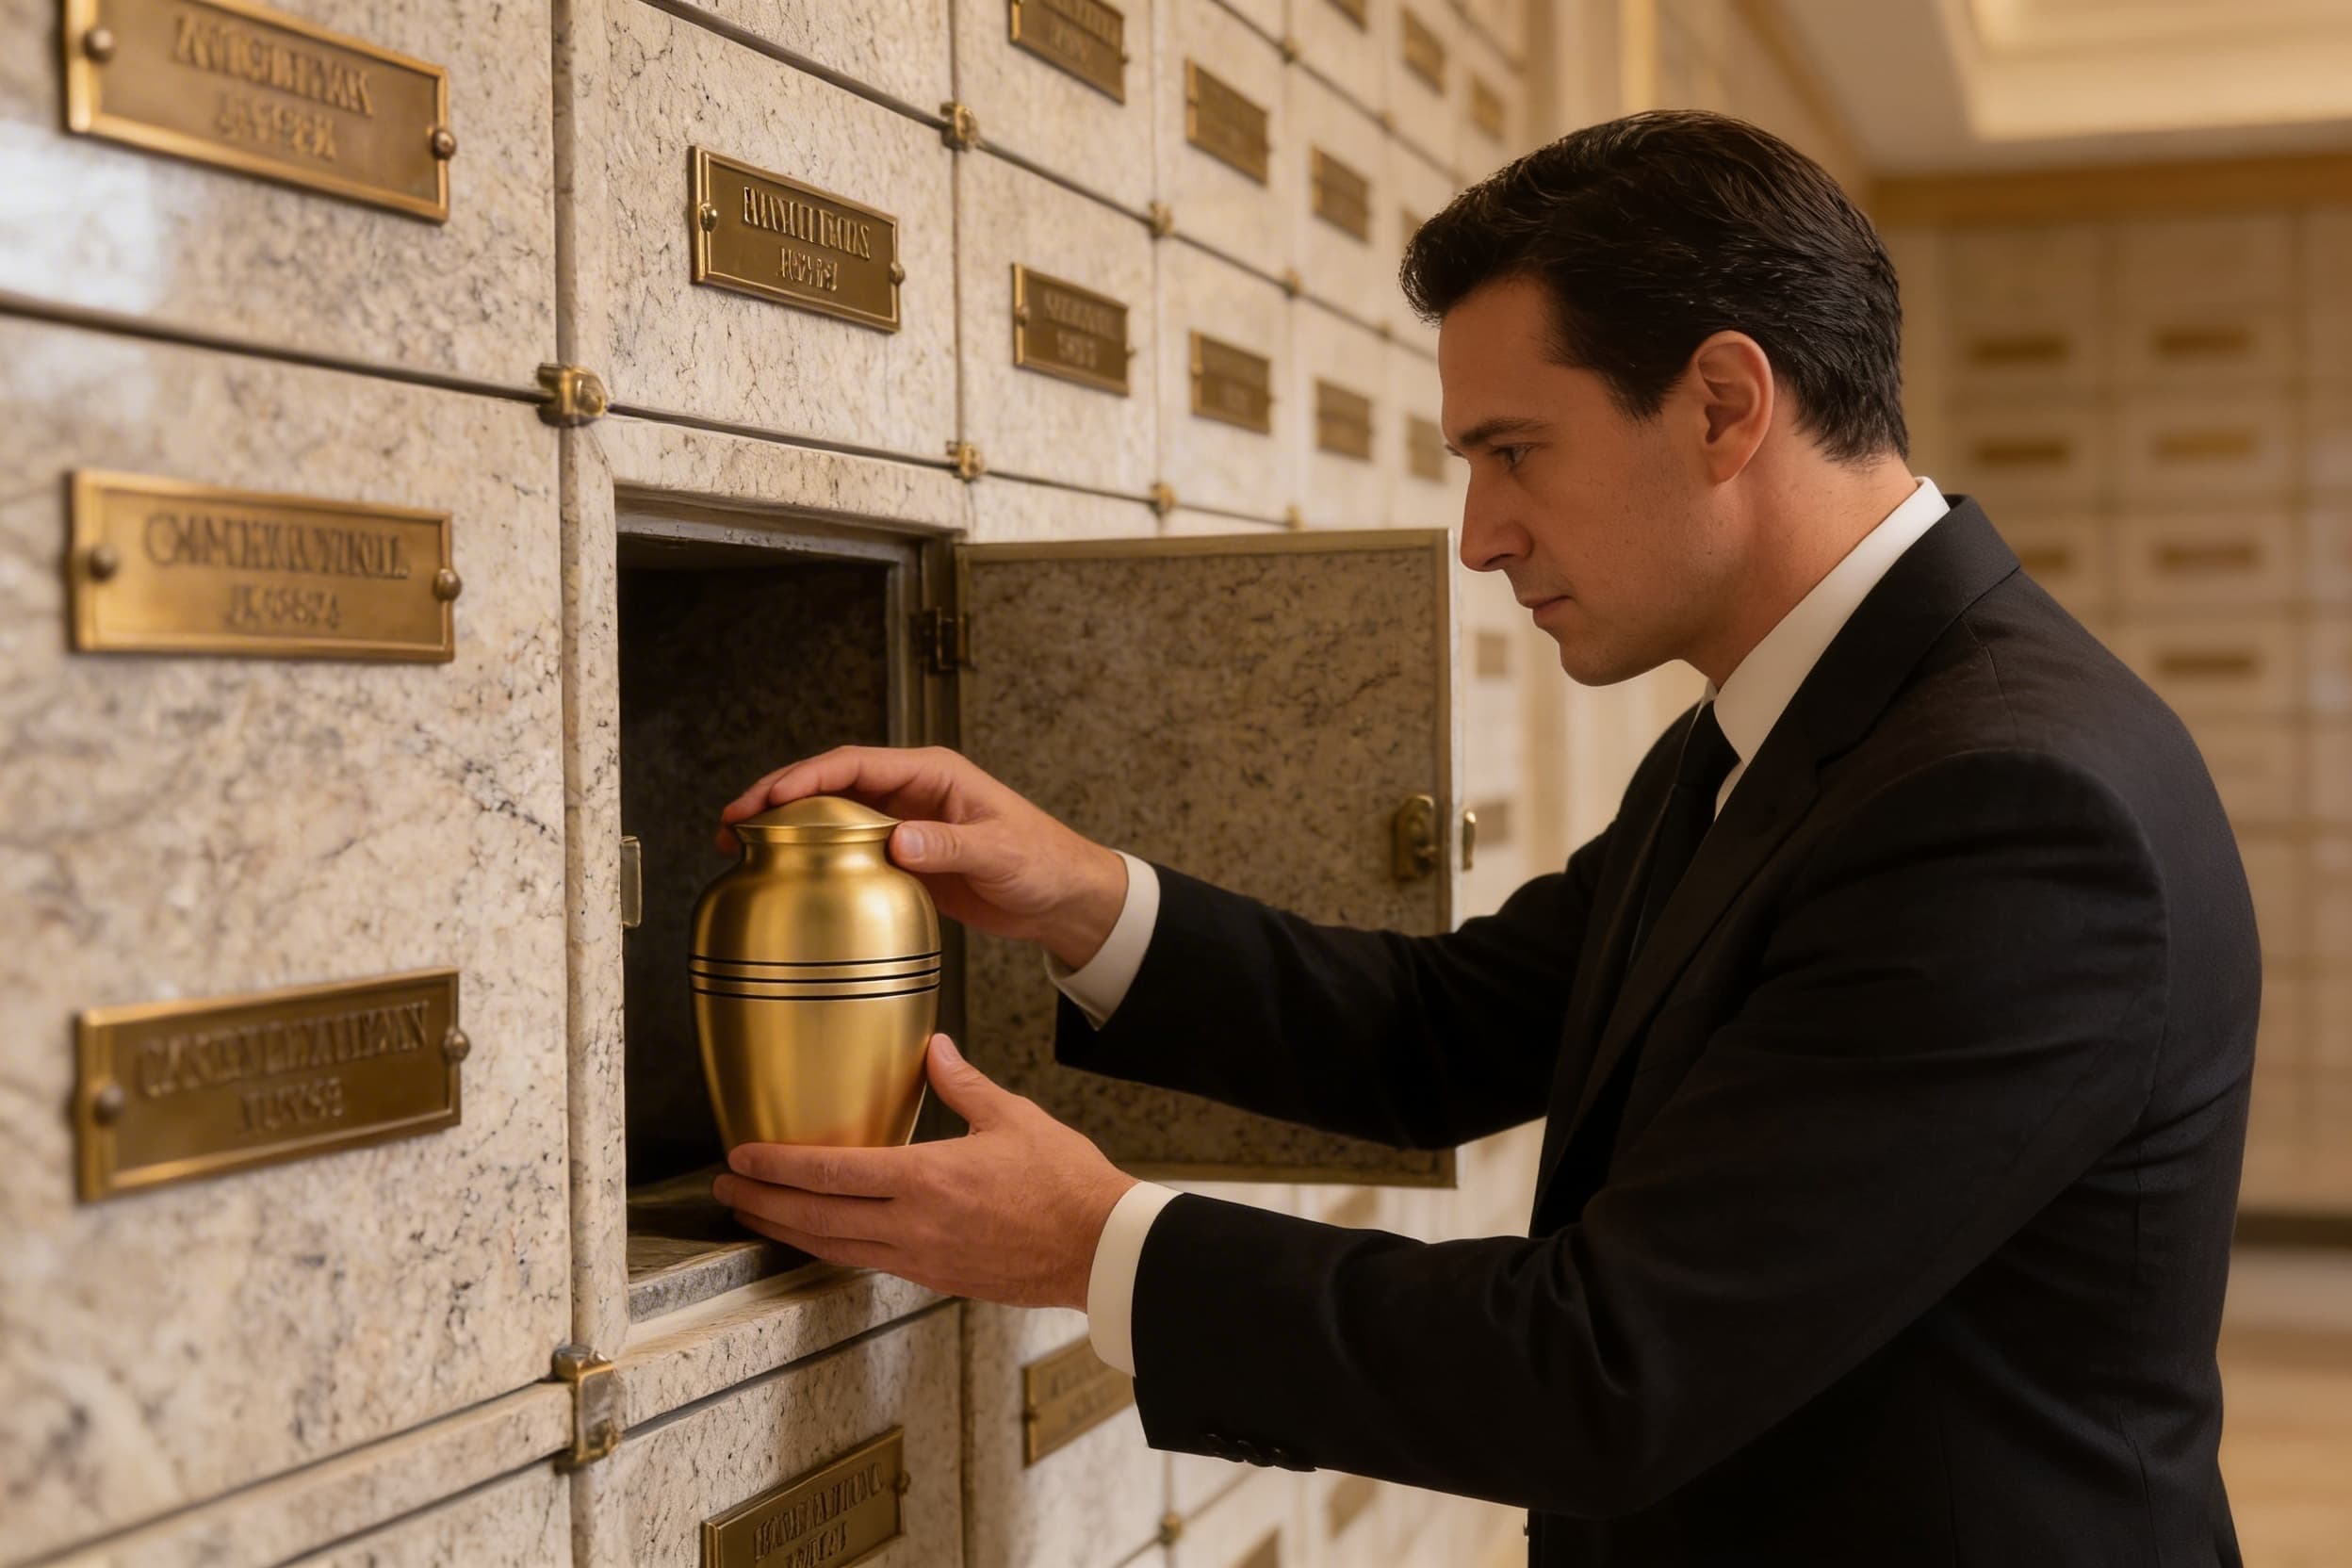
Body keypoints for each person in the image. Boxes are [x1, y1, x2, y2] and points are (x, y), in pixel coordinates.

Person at [709, 111, 2257, 1564]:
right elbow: (1444, 1033)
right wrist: (1080, 897)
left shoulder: (2007, 807)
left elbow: (1606, 1368)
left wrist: (1099, 1245)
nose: (1481, 535)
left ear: (1725, 405)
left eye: (1515, 451)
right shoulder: (1789, 726)